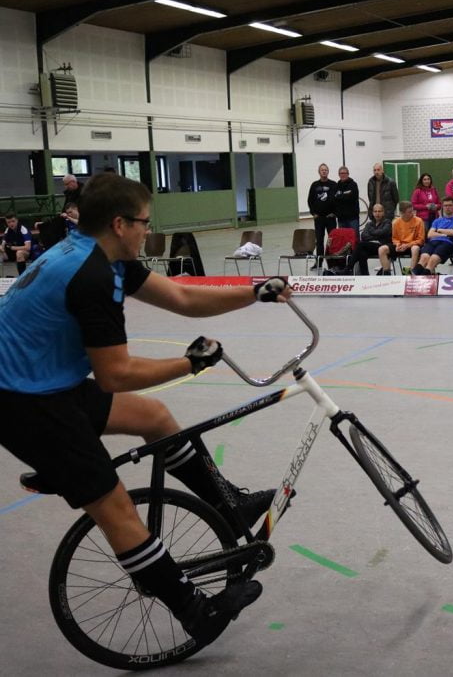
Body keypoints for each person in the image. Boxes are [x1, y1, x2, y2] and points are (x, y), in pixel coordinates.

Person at [0, 173, 289, 646]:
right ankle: (196, 611)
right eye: (144, 223)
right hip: (24, 402)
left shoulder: (103, 254)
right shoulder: (90, 275)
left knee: (153, 417)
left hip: (44, 381)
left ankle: (229, 507)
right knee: (117, 512)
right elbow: (115, 376)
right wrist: (190, 364)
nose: (147, 232)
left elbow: (180, 297)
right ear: (119, 223)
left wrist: (253, 292)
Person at [411, 197, 453, 275]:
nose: (447, 207)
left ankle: (424, 275)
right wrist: (445, 234)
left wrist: (439, 230)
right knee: (424, 258)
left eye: (450, 205)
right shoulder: (437, 220)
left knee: (433, 259)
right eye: (445, 206)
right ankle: (414, 276)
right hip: (433, 241)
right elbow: (430, 234)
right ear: (442, 207)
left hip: (448, 243)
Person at [307, 163, 336, 268]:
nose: (324, 171)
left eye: (326, 170)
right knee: (319, 241)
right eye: (322, 170)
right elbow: (310, 200)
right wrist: (313, 213)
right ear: (319, 172)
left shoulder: (333, 184)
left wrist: (335, 213)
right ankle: (319, 262)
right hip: (319, 218)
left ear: (328, 172)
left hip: (330, 218)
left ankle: (332, 262)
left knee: (332, 241)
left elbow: (337, 201)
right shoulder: (314, 185)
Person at [384, 201, 425, 274]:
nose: (412, 213)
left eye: (412, 211)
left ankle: (411, 272)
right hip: (401, 245)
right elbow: (394, 238)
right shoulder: (395, 222)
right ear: (402, 213)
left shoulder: (419, 221)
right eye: (409, 212)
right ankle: (386, 273)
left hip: (413, 245)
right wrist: (397, 245)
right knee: (382, 249)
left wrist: (408, 245)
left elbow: (421, 240)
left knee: (415, 248)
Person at [354, 203, 392, 275]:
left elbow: (383, 232)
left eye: (379, 211)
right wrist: (376, 235)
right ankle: (366, 276)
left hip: (382, 246)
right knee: (362, 253)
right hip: (371, 247)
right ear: (373, 213)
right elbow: (363, 236)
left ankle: (349, 267)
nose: (377, 213)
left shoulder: (387, 222)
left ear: (383, 212)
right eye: (375, 211)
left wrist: (371, 232)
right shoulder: (369, 224)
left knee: (360, 244)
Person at [332, 165, 360, 233]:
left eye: (344, 173)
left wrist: (340, 196)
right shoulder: (336, 186)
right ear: (339, 175)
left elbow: (351, 198)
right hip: (341, 219)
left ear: (348, 174)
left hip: (352, 218)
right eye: (341, 173)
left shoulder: (353, 185)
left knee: (354, 239)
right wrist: (345, 195)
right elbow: (334, 200)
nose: (343, 175)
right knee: (343, 239)